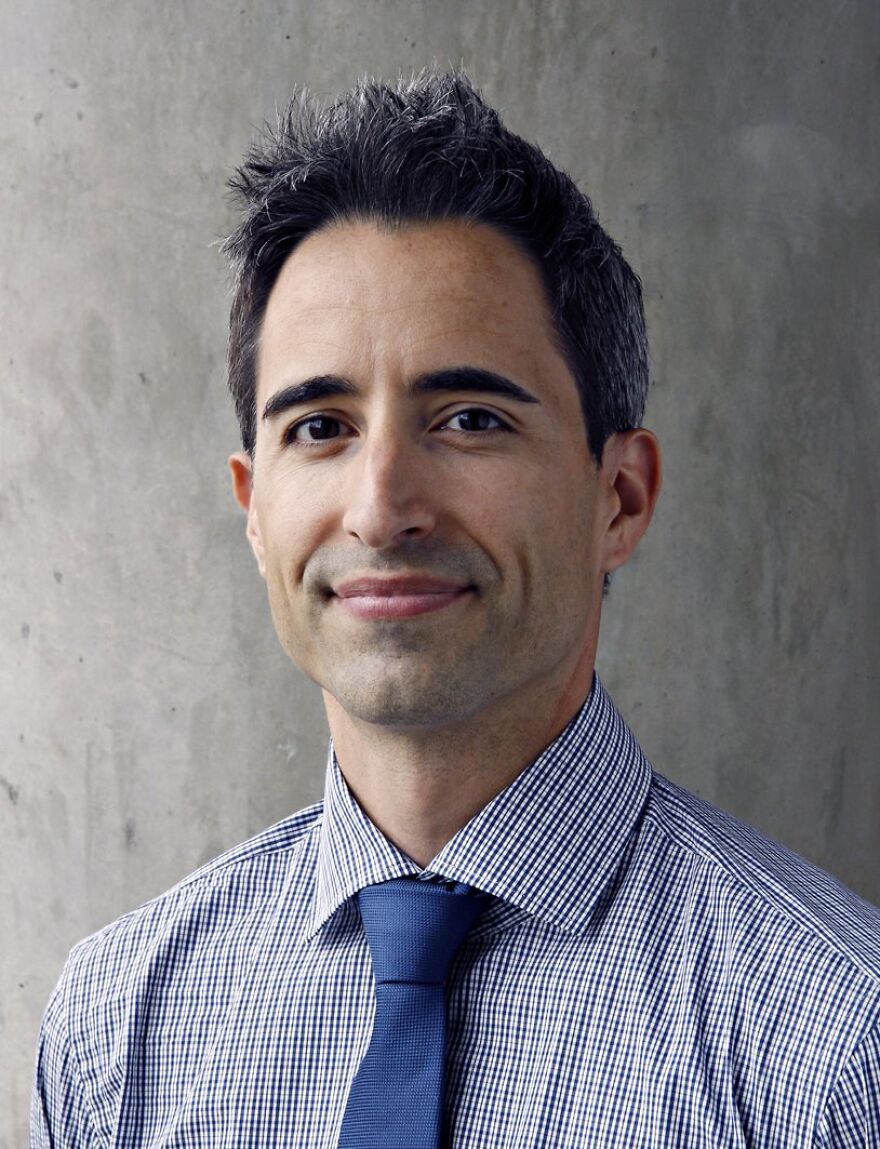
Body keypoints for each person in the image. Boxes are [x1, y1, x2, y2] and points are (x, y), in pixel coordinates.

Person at [31, 68, 879, 1147]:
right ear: (254, 512)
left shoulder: (839, 1048)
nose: (381, 509)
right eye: (320, 428)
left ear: (618, 499)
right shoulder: (114, 1034)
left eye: (470, 418)